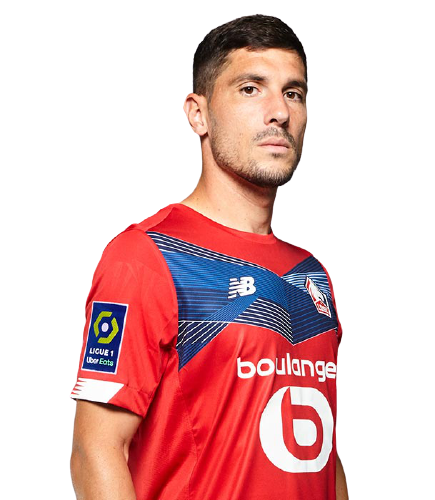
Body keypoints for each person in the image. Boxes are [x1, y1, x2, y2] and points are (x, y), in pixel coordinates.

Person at [69, 13, 348, 500]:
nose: (279, 112)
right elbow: (95, 452)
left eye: (293, 93)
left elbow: (322, 456)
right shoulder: (145, 256)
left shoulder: (313, 274)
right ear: (197, 114)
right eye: (250, 88)